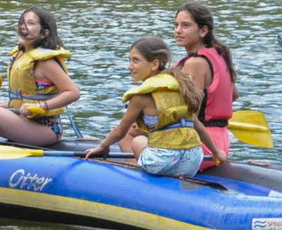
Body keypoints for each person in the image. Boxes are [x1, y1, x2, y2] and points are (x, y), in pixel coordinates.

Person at [84, 36, 227, 175]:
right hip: (193, 160)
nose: (130, 66)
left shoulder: (141, 97)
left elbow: (120, 132)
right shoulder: (181, 87)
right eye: (130, 60)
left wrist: (103, 147)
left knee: (139, 140)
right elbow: (199, 127)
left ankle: (135, 173)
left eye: (135, 60)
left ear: (154, 64)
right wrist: (216, 152)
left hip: (162, 162)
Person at [0, 7, 82, 147]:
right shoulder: (21, 56)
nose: (23, 27)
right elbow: (22, 101)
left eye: (30, 23)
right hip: (24, 122)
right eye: (21, 23)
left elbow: (73, 93)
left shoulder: (45, 62)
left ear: (44, 33)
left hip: (46, 129)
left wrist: (42, 106)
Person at [172, 1, 239, 168]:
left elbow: (188, 110)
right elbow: (233, 94)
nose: (177, 31)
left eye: (185, 26)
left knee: (134, 137)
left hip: (201, 145)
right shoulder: (219, 54)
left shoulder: (195, 63)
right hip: (221, 141)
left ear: (203, 30)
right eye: (176, 25)